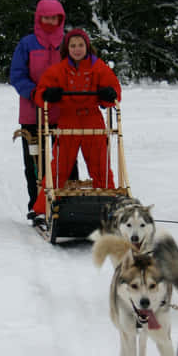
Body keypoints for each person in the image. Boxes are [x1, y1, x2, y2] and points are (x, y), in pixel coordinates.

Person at [31, 27, 121, 216]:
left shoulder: (98, 67)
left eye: (80, 45)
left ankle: (111, 207)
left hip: (92, 121)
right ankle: (43, 209)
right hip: (68, 121)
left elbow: (114, 92)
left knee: (101, 168)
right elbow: (40, 94)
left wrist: (108, 95)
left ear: (87, 47)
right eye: (73, 45)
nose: (77, 49)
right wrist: (48, 95)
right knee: (58, 168)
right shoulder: (58, 70)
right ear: (67, 48)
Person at [9, 0, 78, 219]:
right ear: (39, 18)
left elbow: (84, 65)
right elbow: (17, 75)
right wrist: (35, 92)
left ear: (61, 18)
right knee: (35, 160)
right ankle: (37, 205)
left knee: (66, 158)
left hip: (63, 110)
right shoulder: (27, 44)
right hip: (33, 111)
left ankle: (69, 201)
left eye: (54, 17)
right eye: (46, 17)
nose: (50, 21)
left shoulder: (70, 43)